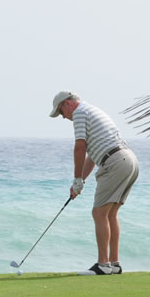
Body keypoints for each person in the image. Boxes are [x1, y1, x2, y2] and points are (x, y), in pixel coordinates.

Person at [49, 91, 139, 275]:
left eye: (61, 112)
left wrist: (76, 180)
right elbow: (92, 156)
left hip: (115, 162)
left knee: (99, 213)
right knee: (110, 214)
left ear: (67, 104)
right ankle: (114, 264)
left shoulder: (80, 113)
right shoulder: (91, 110)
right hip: (128, 160)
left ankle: (103, 265)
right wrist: (80, 181)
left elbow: (80, 147)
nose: (63, 118)